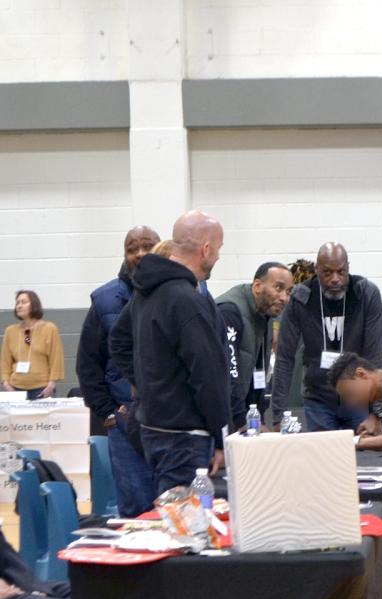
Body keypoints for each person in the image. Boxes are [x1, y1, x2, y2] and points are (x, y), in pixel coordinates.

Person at [110, 210, 231, 494]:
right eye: (218, 249)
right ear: (205, 249)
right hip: (184, 438)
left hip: (153, 429)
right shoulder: (187, 301)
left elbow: (118, 340)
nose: (218, 257)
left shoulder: (146, 292)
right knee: (184, 518)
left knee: (169, 511)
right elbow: (208, 376)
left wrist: (149, 385)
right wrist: (221, 438)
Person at [76, 226, 160, 516]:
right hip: (125, 424)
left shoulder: (180, 292)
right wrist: (108, 413)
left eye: (147, 246)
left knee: (174, 508)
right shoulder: (105, 300)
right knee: (136, 509)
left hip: (170, 423)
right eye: (132, 249)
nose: (140, 253)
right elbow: (87, 363)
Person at [271, 243, 382, 433]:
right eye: (327, 272)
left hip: (358, 398)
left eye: (341, 272)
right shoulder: (300, 298)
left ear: (348, 268)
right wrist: (278, 415)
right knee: (322, 451)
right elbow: (284, 358)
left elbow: (374, 356)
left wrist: (376, 413)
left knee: (363, 450)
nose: (335, 279)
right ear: (316, 269)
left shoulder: (365, 293)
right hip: (318, 399)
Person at [217, 262, 294, 431]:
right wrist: (241, 421)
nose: (284, 298)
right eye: (278, 288)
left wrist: (257, 416)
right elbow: (229, 373)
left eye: (288, 291)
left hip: (247, 415)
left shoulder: (265, 314)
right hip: (224, 418)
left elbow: (258, 369)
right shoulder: (230, 312)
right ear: (258, 286)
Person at [1, 291, 64, 400]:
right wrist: (5, 383)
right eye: (17, 303)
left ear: (34, 305)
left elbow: (56, 359)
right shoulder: (10, 331)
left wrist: (51, 384)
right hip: (15, 389)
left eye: (24, 302)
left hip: (42, 389)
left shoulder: (49, 329)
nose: (19, 306)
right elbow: (5, 361)